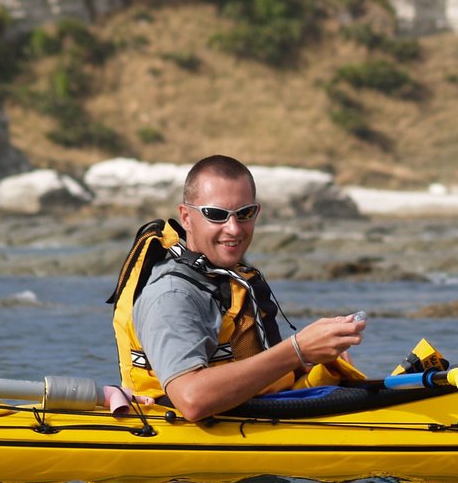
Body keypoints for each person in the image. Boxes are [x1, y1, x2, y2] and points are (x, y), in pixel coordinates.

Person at [108, 154, 365, 420]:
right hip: (176, 427)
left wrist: (312, 359)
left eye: (244, 214)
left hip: (251, 411)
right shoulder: (172, 294)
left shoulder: (228, 277)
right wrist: (297, 350)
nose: (233, 229)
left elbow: (247, 365)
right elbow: (192, 400)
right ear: (186, 217)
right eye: (216, 215)